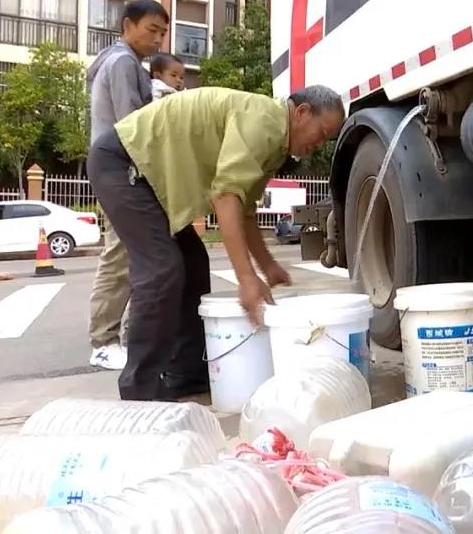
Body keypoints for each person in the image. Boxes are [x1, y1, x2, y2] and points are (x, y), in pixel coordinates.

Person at [88, 85, 346, 400]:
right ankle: (140, 389)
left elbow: (246, 210)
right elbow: (226, 197)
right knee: (161, 269)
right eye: (321, 133)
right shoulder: (264, 122)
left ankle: (187, 373)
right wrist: (246, 279)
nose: (318, 144)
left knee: (194, 263)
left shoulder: (275, 141)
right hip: (123, 164)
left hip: (146, 177)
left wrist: (267, 265)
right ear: (302, 112)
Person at [86, 0, 169, 372]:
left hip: (117, 169)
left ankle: (123, 336)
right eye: (152, 30)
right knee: (120, 256)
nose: (158, 40)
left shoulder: (125, 63)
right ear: (128, 25)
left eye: (163, 33)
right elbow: (133, 124)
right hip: (121, 170)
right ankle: (103, 341)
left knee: (131, 255)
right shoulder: (122, 63)